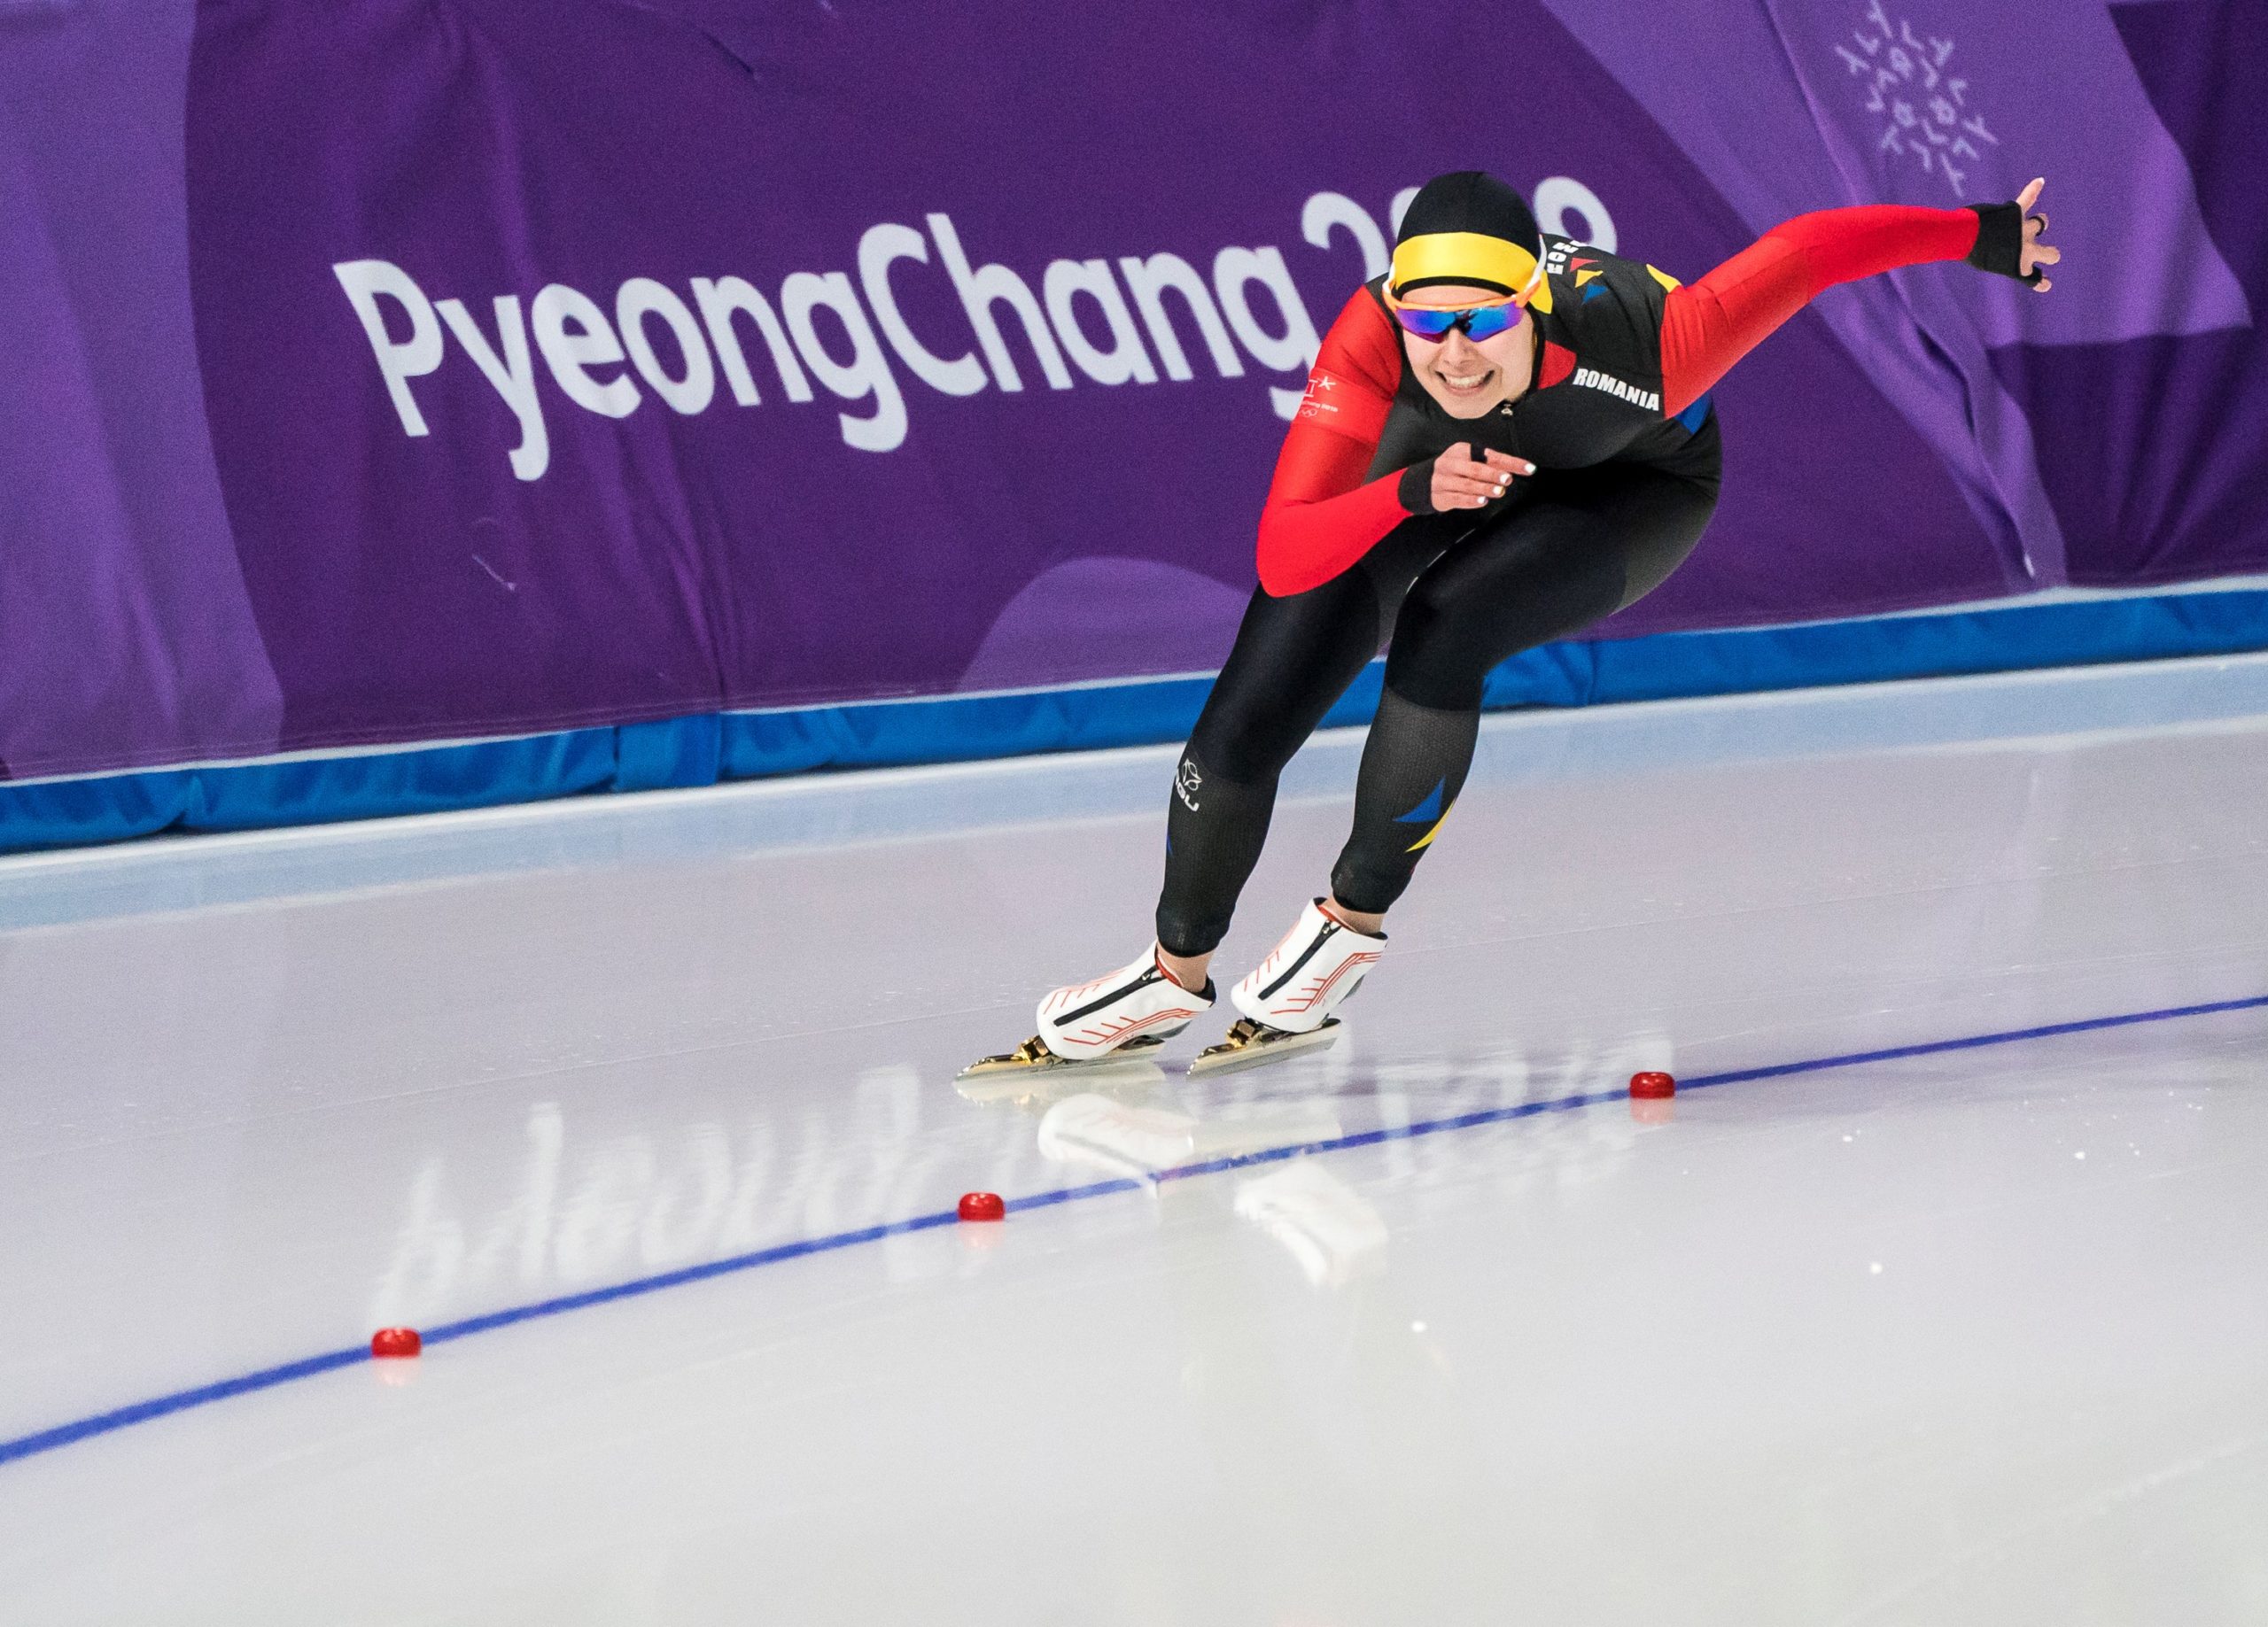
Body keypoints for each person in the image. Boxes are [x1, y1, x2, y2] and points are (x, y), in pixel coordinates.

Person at [964, 169, 2060, 1080]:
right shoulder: (1373, 344)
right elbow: (1282, 550)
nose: (1453, 351)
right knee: (1261, 686)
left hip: (1626, 484)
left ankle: (1344, 931)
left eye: (1483, 320)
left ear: (1531, 304)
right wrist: (1407, 492)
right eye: (1427, 321)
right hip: (1433, 472)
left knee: (1449, 620)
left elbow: (1816, 248)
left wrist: (1990, 234)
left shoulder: (1658, 338)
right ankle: (1169, 972)